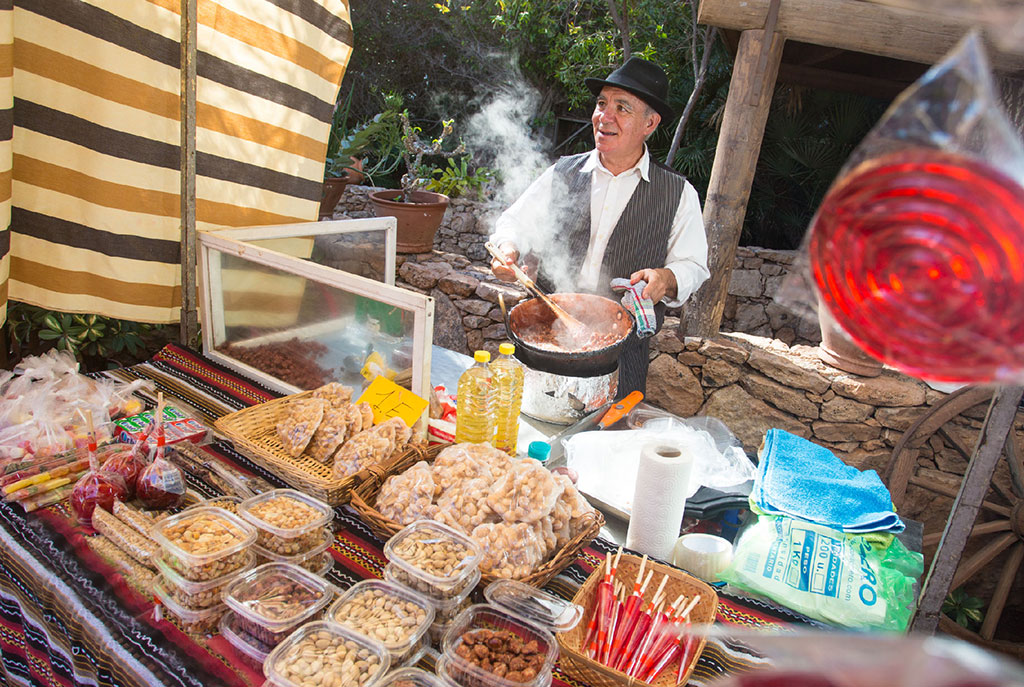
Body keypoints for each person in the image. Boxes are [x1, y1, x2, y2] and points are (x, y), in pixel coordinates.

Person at [489, 57, 710, 397]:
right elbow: (514, 223)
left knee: (606, 446)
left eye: (622, 108)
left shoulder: (678, 194)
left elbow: (693, 265)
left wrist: (665, 279)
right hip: (544, 345)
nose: (605, 116)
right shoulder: (563, 173)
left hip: (620, 360)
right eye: (602, 103)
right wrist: (508, 248)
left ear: (649, 124)